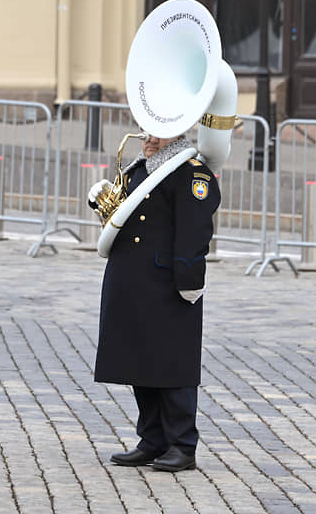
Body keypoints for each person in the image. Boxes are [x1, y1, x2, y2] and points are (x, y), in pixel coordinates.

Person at [89, 131, 220, 472]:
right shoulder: (139, 169)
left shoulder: (191, 173)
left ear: (177, 135)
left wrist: (190, 279)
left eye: (157, 134)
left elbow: (194, 230)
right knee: (140, 362)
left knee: (172, 365)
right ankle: (152, 439)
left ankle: (182, 444)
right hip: (131, 278)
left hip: (167, 282)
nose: (147, 138)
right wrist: (100, 202)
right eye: (146, 130)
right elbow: (122, 220)